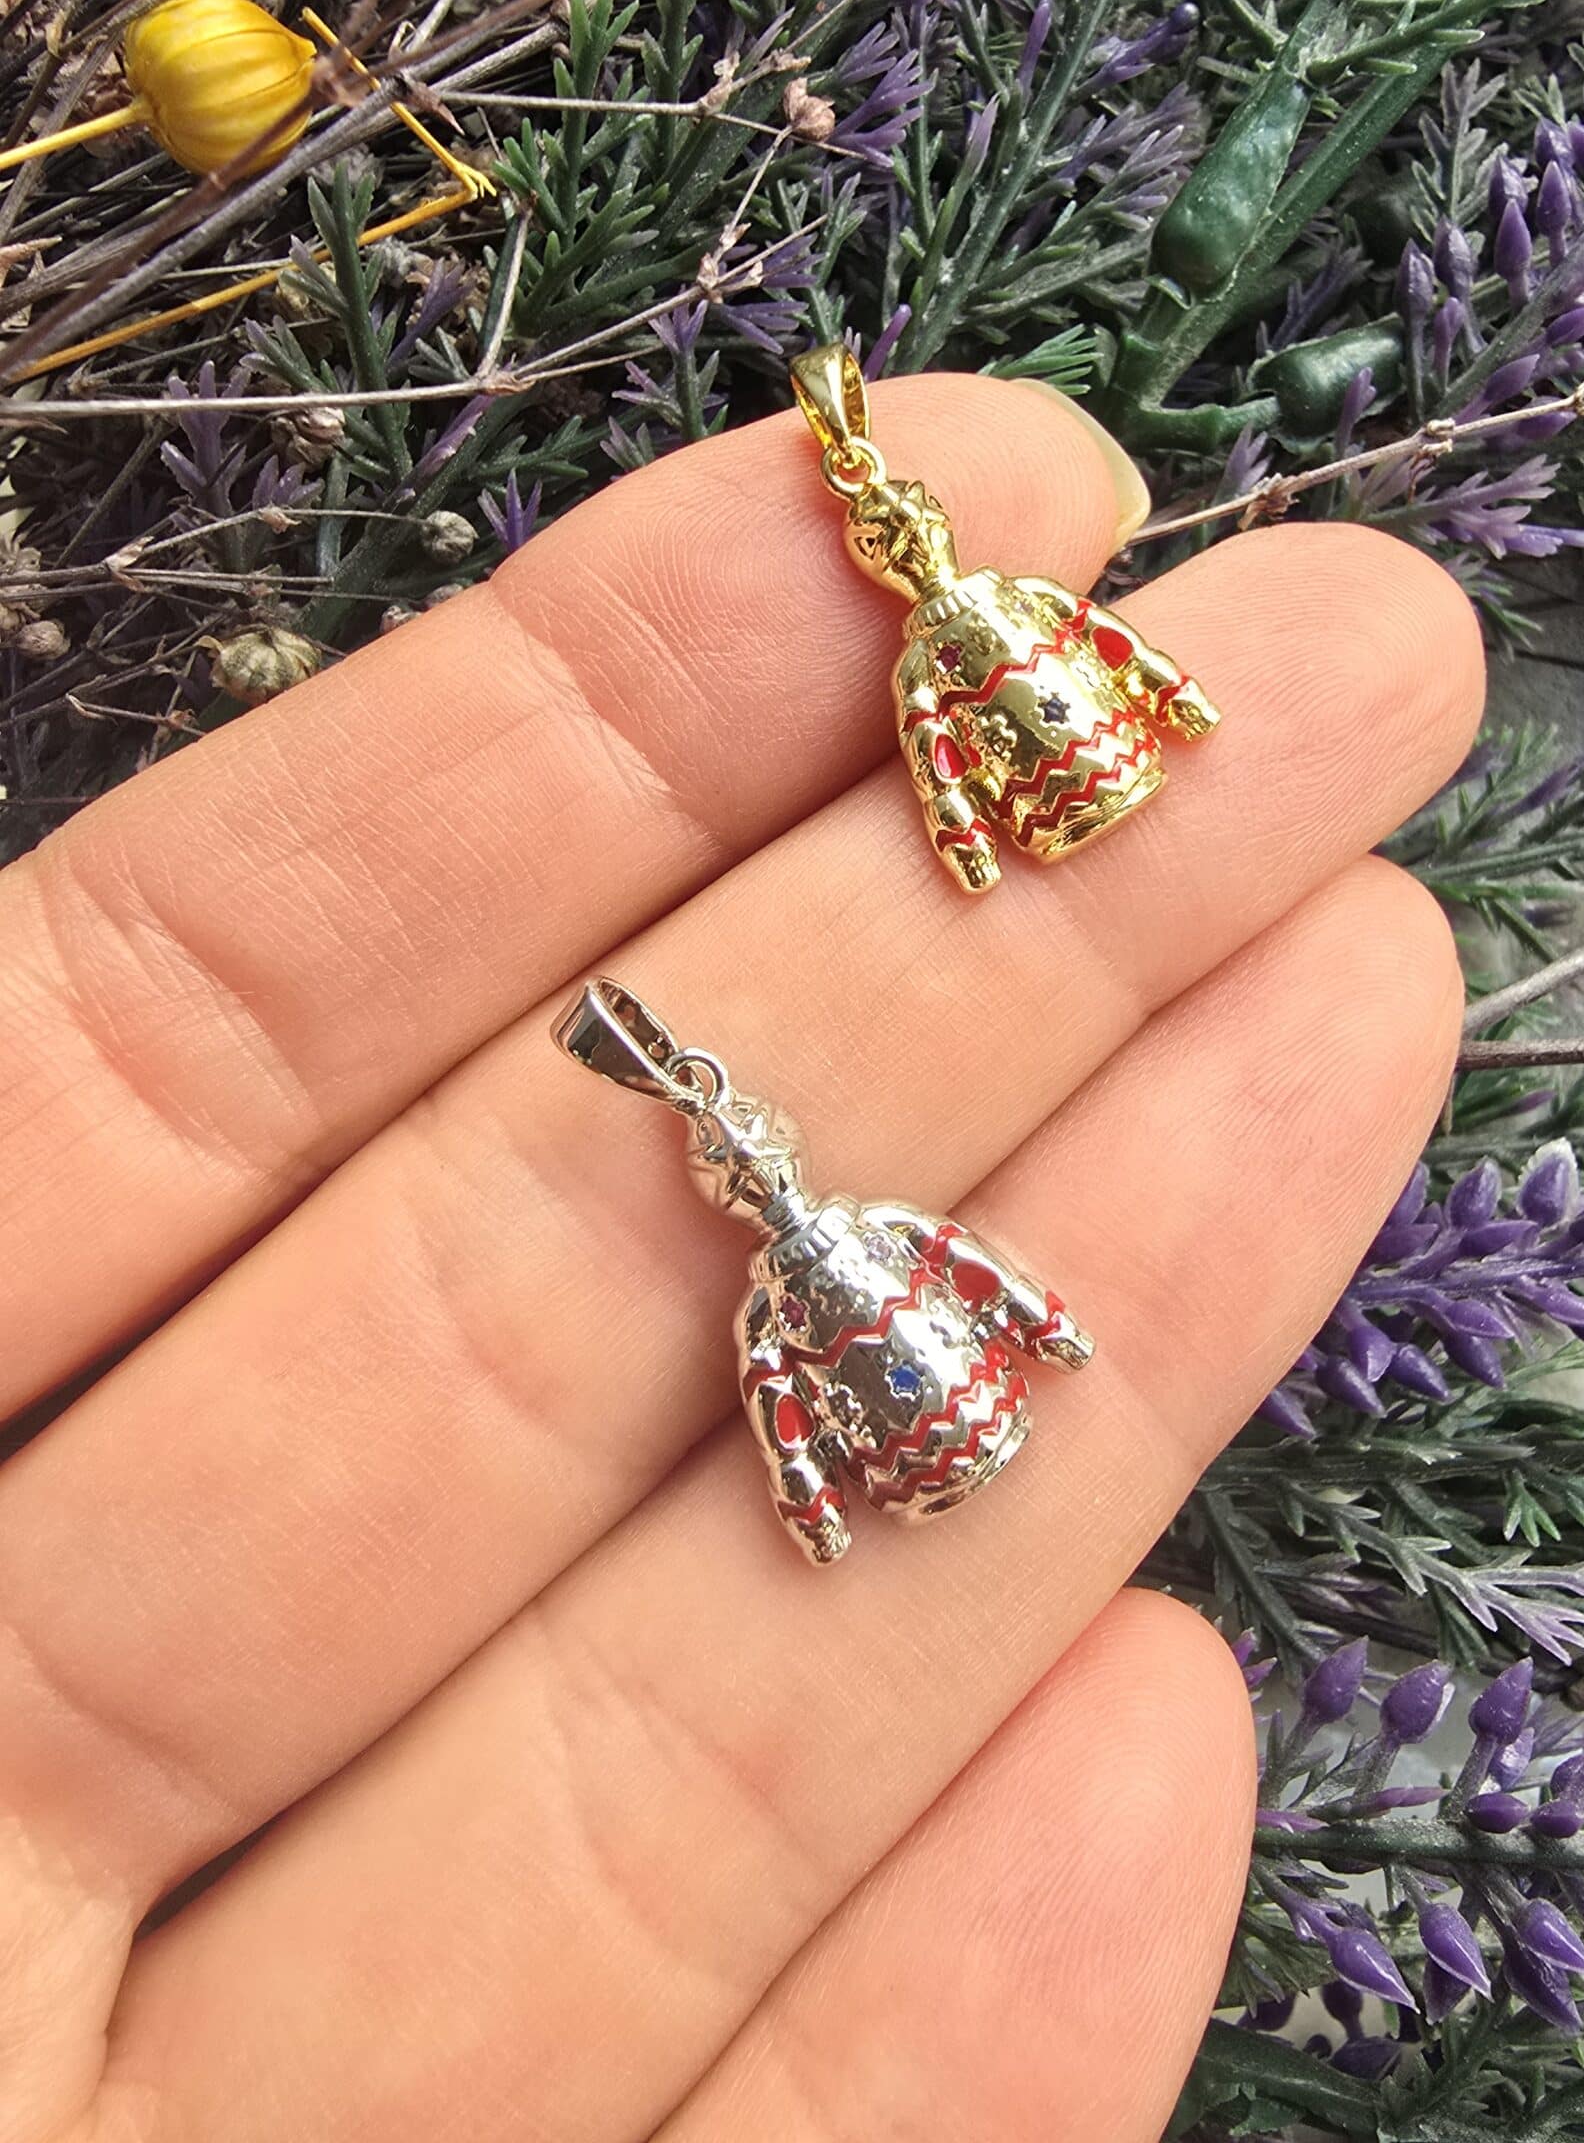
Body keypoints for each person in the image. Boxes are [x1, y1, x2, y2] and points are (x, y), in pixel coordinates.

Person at [0, 372, 1482, 2141]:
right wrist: (867, 1454)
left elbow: (900, 1320)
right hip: (942, 1407)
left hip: (955, 1359)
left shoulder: (820, 1258)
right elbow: (830, 1378)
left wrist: (977, 1362)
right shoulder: (810, 1275)